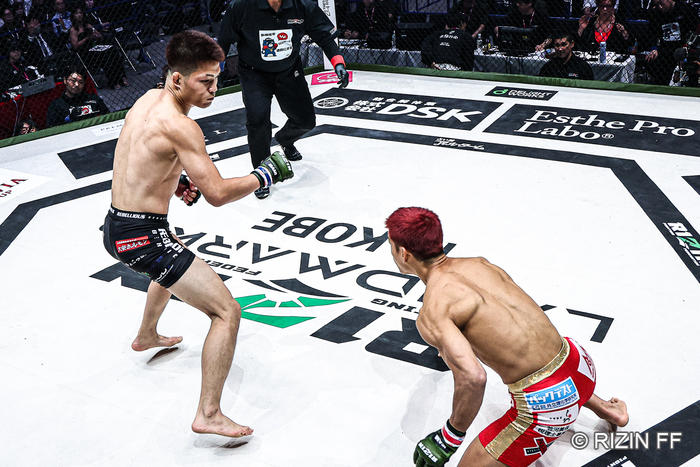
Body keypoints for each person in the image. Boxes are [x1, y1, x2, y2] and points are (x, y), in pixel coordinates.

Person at [101, 29, 293, 438]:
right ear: (177, 79)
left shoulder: (146, 100)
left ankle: (147, 335)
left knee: (175, 260)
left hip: (118, 223)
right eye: (205, 81)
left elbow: (143, 158)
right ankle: (209, 413)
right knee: (227, 312)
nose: (213, 89)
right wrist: (263, 175)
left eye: (217, 79)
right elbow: (218, 194)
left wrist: (177, 180)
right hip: (142, 235)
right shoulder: (182, 126)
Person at [384, 207, 629, 467]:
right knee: (540, 358)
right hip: (580, 364)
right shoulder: (479, 263)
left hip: (550, 404)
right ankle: (608, 409)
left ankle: (582, 408)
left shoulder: (434, 311)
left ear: (403, 253)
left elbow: (473, 378)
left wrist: (450, 436)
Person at [217, 0, 350, 199]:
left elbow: (324, 36)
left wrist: (337, 62)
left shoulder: (303, 5)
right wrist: (216, 70)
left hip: (289, 70)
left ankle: (285, 139)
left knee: (305, 121)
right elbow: (223, 41)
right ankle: (261, 175)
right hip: (254, 73)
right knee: (258, 121)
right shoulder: (242, 6)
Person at [69, 7, 127, 88]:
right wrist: (87, 38)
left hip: (95, 48)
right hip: (85, 53)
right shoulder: (73, 30)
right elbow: (75, 46)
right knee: (106, 55)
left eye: (80, 13)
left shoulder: (88, 25)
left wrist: (96, 35)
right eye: (76, 13)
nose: (79, 15)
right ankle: (114, 81)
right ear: (73, 16)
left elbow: (99, 36)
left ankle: (122, 77)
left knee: (113, 50)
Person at [645, 0, 699, 85]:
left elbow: (695, 30)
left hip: (684, 48)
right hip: (665, 50)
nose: (660, 7)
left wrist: (687, 46)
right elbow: (652, 34)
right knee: (651, 61)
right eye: (657, 4)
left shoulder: (685, 9)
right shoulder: (656, 13)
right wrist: (654, 49)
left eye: (661, 3)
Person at [45, 68, 110, 126]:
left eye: (80, 82)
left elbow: (108, 117)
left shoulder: (94, 99)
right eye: (73, 81)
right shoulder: (57, 105)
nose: (76, 84)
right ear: (65, 81)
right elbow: (52, 128)